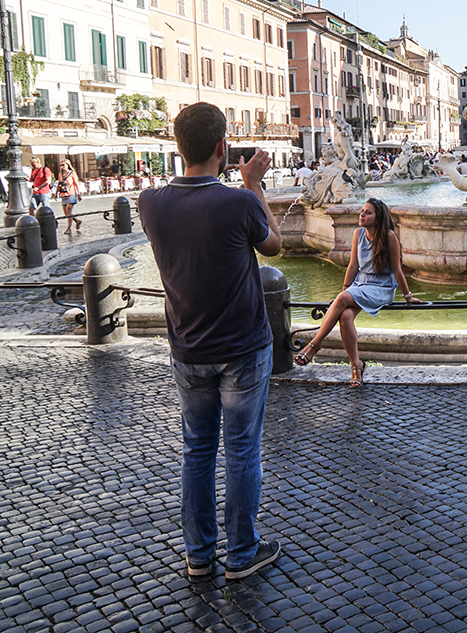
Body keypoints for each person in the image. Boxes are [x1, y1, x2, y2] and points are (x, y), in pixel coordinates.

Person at [137, 102, 283, 581]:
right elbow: (274, 245)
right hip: (243, 347)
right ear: (223, 147)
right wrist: (254, 185)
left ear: (178, 148)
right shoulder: (239, 202)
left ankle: (198, 555)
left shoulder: (150, 203)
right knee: (241, 450)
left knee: (197, 450)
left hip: (187, 348)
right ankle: (242, 553)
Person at [294, 198, 422, 385]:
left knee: (343, 300)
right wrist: (344, 292)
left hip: (381, 287)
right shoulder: (358, 234)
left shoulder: (389, 237)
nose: (362, 215)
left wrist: (407, 296)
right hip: (360, 284)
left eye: (368, 212)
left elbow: (397, 269)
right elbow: (353, 265)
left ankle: (315, 344)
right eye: (362, 211)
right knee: (345, 316)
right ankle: (356, 366)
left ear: (378, 218)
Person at [53, 160, 82, 234]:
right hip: (63, 194)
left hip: (71, 194)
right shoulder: (61, 174)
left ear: (68, 165)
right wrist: (56, 193)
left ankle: (68, 228)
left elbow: (76, 184)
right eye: (61, 165)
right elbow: (59, 183)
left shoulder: (72, 173)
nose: (62, 167)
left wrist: (78, 194)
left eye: (63, 165)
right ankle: (77, 221)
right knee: (66, 213)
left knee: (69, 212)